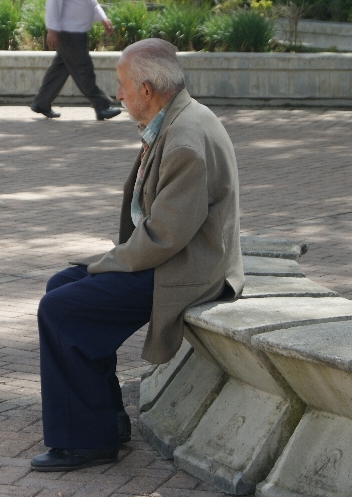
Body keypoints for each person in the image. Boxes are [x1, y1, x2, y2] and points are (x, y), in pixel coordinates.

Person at [30, 37, 244, 472]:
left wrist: (105, 263)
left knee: (61, 308)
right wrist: (103, 264)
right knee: (62, 288)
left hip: (189, 269)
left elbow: (165, 236)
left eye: (122, 84)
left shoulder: (185, 137)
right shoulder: (175, 118)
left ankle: (87, 441)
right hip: (174, 256)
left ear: (147, 89)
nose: (118, 94)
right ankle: (105, 417)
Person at [30, 0, 121, 121]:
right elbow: (53, 3)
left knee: (60, 69)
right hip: (68, 33)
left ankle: (42, 102)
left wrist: (102, 18)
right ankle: (101, 105)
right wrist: (52, 31)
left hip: (76, 31)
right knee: (83, 69)